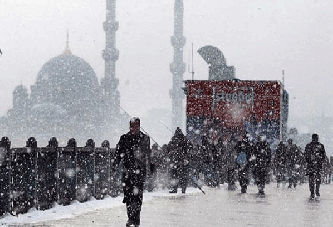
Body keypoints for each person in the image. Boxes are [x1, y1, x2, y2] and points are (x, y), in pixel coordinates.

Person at [114, 117, 151, 227]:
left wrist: (150, 166)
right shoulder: (124, 138)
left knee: (138, 197)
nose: (133, 128)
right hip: (127, 172)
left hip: (139, 173)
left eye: (135, 126)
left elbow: (147, 155)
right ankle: (131, 218)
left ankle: (136, 219)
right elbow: (118, 154)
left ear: (139, 126)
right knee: (128, 196)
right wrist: (114, 165)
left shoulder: (145, 139)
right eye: (131, 126)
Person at [167, 127, 192, 193]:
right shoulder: (185, 140)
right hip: (182, 161)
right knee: (183, 176)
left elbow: (168, 148)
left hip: (176, 161)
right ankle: (183, 189)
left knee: (175, 175)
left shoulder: (174, 139)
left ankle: (175, 189)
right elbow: (190, 147)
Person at [304, 134, 326, 200]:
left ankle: (312, 192)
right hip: (317, 165)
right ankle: (316, 191)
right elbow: (324, 156)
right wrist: (320, 160)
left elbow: (305, 155)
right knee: (317, 179)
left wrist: (309, 161)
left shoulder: (308, 146)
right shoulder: (321, 146)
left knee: (312, 179)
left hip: (312, 165)